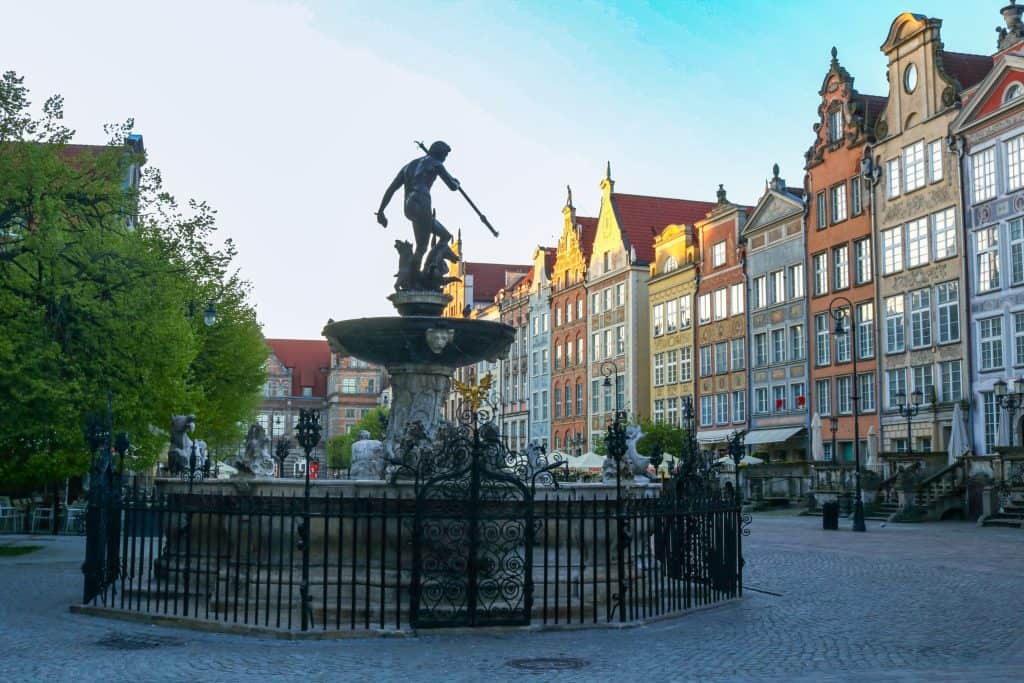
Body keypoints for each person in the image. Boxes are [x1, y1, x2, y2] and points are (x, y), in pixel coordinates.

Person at [376, 141, 460, 281]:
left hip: (409, 205)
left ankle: (428, 268)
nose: (445, 159)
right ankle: (416, 279)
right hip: (422, 201)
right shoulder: (436, 164)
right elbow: (452, 186)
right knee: (422, 247)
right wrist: (457, 182)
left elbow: (391, 189)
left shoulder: (409, 166)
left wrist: (381, 211)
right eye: (445, 155)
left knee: (445, 236)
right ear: (439, 153)